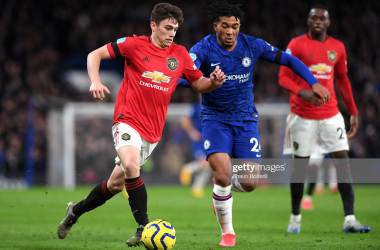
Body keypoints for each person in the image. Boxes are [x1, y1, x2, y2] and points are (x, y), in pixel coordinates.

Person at [56, 2, 227, 246]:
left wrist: (213, 82)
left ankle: (75, 211)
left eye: (175, 30)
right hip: (127, 120)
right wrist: (94, 81)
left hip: (152, 132)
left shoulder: (179, 54)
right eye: (167, 28)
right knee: (131, 165)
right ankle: (144, 226)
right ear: (153, 26)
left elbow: (198, 83)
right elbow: (95, 54)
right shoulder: (133, 45)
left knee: (115, 184)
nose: (171, 34)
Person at [177, 0, 330, 246]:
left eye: (234, 26)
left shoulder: (252, 45)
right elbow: (182, 78)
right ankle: (227, 232)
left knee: (249, 183)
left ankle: (220, 192)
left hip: (246, 120)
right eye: (225, 26)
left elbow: (289, 60)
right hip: (215, 119)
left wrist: (313, 82)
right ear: (215, 26)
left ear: (239, 26)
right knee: (222, 173)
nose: (230, 31)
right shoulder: (202, 49)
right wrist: (208, 80)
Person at [279, 4, 370, 233]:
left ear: (328, 23)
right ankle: (295, 217)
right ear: (308, 21)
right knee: (300, 168)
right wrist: (304, 93)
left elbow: (343, 80)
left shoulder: (337, 47)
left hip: (331, 114)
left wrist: (353, 111)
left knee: (343, 163)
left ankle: (350, 219)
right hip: (302, 114)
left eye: (322, 18)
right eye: (314, 17)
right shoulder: (296, 44)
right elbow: (283, 78)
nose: (318, 21)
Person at [179, 94, 212, 198]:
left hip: (210, 140)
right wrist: (191, 132)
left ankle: (197, 188)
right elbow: (184, 120)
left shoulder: (212, 108)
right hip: (199, 141)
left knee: (209, 165)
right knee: (205, 162)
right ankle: (188, 169)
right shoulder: (195, 108)